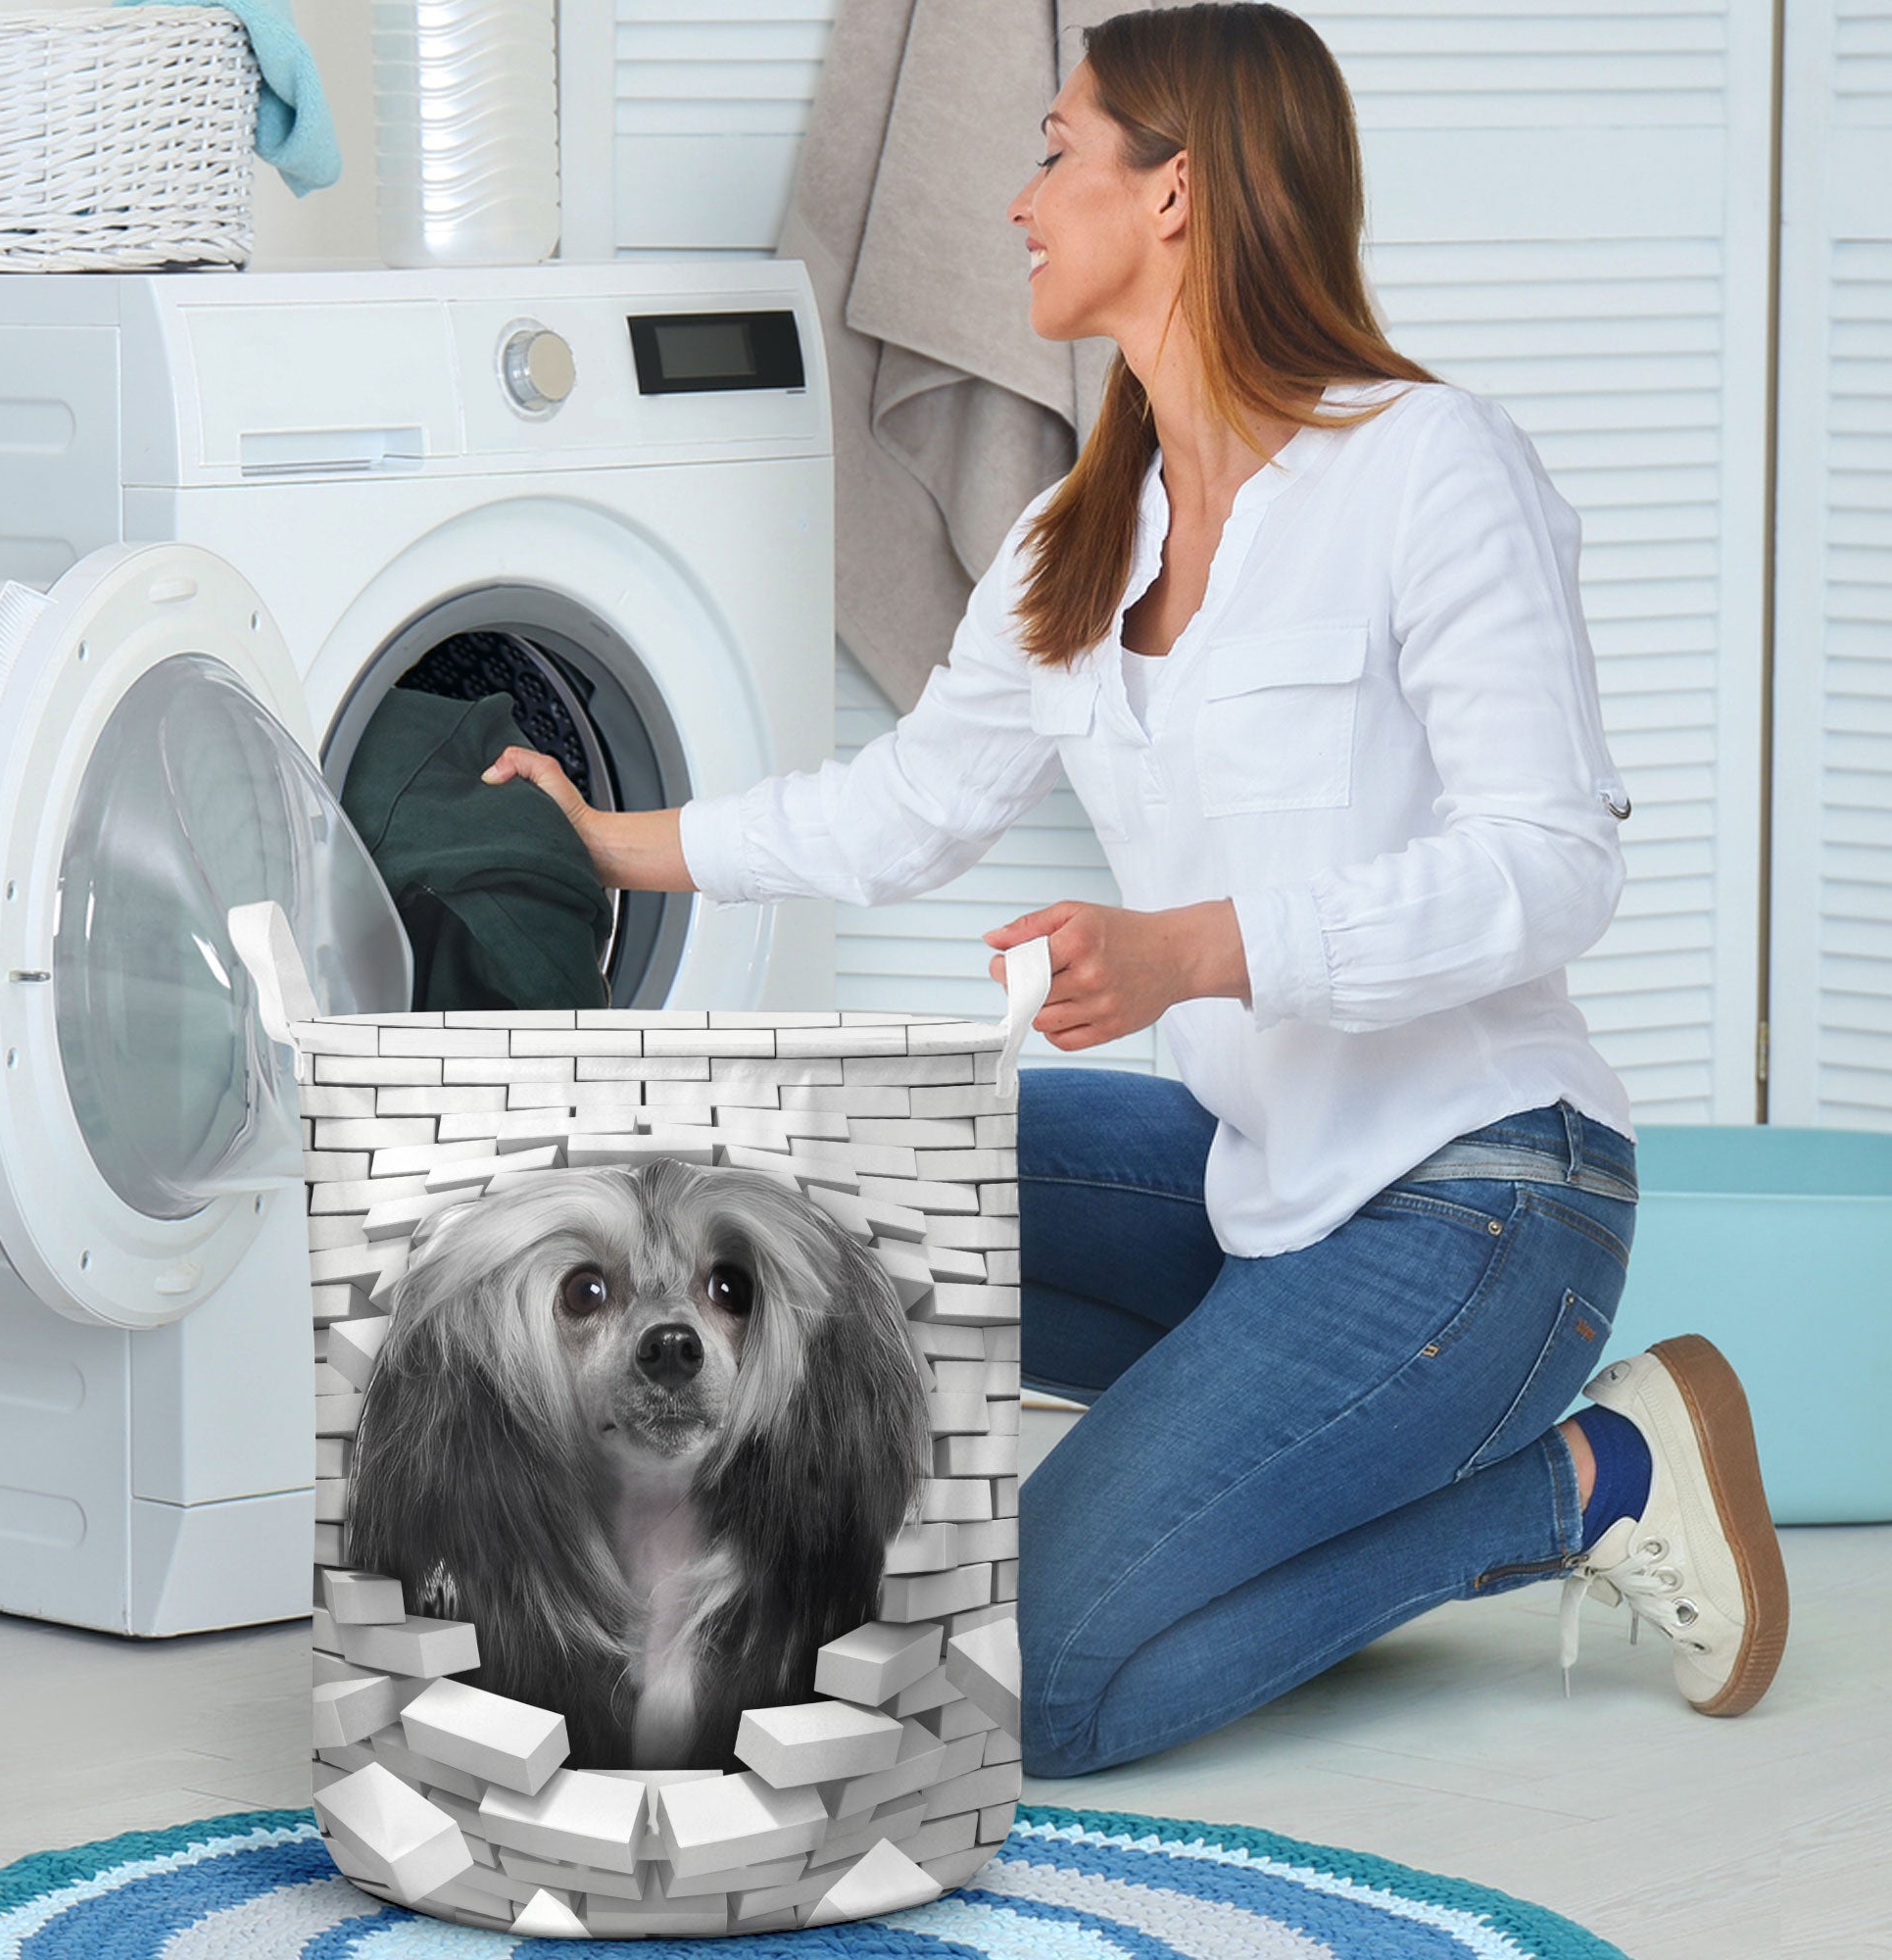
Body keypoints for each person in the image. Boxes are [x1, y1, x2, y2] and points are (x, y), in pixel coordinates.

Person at [482, 0, 1789, 1779]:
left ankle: (1590, 1482)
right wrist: (618, 838)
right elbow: (906, 808)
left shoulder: (1427, 464)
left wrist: (1198, 952)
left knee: (1033, 1685)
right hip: (1262, 1184)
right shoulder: (1078, 539)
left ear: (1175, 193)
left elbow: (1554, 867)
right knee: (821, 1193)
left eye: (1056, 154)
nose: (1019, 203)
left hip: (1484, 1200)